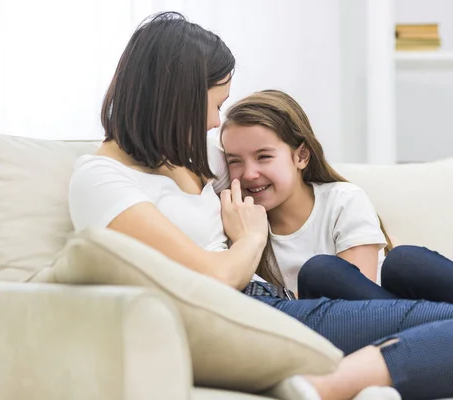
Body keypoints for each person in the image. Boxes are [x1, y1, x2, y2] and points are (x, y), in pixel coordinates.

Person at [68, 11, 453, 400]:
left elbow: (267, 154)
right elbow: (215, 282)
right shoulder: (101, 179)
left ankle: (366, 379)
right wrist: (250, 239)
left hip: (273, 303)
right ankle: (336, 385)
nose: (214, 123)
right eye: (215, 104)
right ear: (177, 99)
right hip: (243, 313)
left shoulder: (188, 155)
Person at [218, 89, 453, 302]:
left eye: (264, 157)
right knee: (320, 274)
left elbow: (359, 303)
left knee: (403, 261)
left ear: (301, 156)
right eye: (234, 161)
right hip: (341, 329)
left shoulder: (342, 201)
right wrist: (246, 240)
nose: (249, 174)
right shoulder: (237, 229)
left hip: (377, 312)